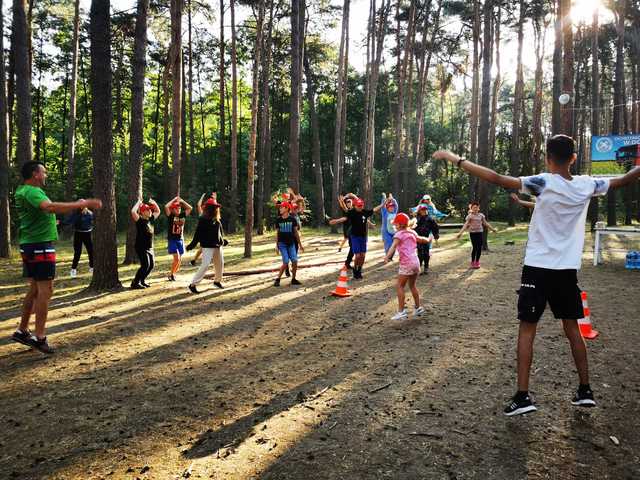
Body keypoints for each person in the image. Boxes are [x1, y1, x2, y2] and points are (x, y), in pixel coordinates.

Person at [432, 135, 640, 416]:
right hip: (567, 271)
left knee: (527, 328)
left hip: (538, 268)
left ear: (547, 157)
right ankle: (585, 390)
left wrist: (454, 157)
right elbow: (626, 178)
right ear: (574, 158)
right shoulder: (587, 184)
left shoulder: (542, 182)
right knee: (573, 329)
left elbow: (495, 177)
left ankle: (522, 396)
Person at [12, 161, 102, 354]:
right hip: (39, 246)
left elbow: (45, 211)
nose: (45, 175)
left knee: (35, 289)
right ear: (35, 174)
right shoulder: (32, 191)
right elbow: (49, 207)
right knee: (46, 290)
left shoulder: (24, 191)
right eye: (43, 172)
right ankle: (40, 336)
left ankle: (22, 330)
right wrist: (83, 203)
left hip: (30, 244)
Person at [384, 213, 431, 320]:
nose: (395, 226)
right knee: (412, 286)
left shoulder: (398, 235)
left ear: (400, 225)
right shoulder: (412, 232)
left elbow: (393, 246)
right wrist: (428, 239)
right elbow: (422, 239)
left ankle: (401, 311)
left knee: (400, 286)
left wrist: (387, 257)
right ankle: (418, 308)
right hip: (416, 262)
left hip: (406, 263)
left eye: (396, 224)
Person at [329, 197, 383, 280]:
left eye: (361, 205)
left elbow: (374, 209)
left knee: (363, 255)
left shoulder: (365, 212)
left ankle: (359, 270)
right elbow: (344, 218)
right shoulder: (352, 212)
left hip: (363, 237)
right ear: (355, 206)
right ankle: (355, 270)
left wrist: (382, 204)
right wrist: (335, 221)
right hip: (354, 236)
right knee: (357, 256)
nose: (360, 207)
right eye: (358, 206)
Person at [187, 198, 228, 293]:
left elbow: (220, 232)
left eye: (215, 208)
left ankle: (217, 281)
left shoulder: (217, 219)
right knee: (205, 265)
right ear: (208, 208)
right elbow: (197, 234)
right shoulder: (202, 220)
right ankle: (192, 285)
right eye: (213, 207)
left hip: (218, 246)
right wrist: (192, 245)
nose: (215, 209)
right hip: (207, 246)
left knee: (220, 264)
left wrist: (223, 241)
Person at [455, 201, 497, 269]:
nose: (475, 209)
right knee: (475, 247)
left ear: (478, 208)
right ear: (471, 208)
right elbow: (465, 225)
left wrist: (492, 229)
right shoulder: (470, 216)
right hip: (472, 233)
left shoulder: (481, 215)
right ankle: (472, 262)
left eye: (476, 207)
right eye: (474, 207)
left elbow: (485, 223)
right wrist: (460, 233)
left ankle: (477, 262)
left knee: (479, 247)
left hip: (480, 233)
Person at [130, 198, 161, 289]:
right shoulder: (139, 221)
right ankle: (135, 282)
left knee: (151, 265)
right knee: (145, 265)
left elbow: (158, 211)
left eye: (150, 209)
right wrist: (138, 203)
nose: (150, 211)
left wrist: (154, 203)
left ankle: (142, 281)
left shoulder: (150, 220)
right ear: (142, 212)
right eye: (147, 210)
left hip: (149, 247)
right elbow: (133, 212)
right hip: (141, 247)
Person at [274, 201, 304, 286]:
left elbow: (295, 233)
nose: (280, 209)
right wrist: (276, 246)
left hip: (291, 244)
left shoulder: (292, 219)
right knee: (286, 261)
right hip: (282, 244)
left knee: (294, 261)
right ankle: (278, 279)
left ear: (287, 208)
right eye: (280, 207)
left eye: (281, 207)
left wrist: (300, 245)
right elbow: (277, 233)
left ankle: (293, 279)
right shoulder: (278, 220)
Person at [165, 196, 193, 281]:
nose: (178, 210)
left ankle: (173, 274)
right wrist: (174, 199)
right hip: (172, 239)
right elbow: (166, 206)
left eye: (179, 208)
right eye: (176, 208)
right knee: (176, 259)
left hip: (180, 239)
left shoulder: (182, 215)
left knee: (179, 260)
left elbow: (190, 208)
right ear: (172, 209)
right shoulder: (171, 216)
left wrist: (182, 201)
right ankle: (171, 274)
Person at [66, 205, 95, 278]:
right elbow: (71, 221)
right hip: (78, 233)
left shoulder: (90, 214)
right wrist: (80, 214)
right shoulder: (76, 213)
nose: (83, 207)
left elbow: (93, 222)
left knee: (91, 251)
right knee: (78, 252)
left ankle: (92, 267)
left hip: (87, 234)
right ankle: (73, 269)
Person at [415, 204, 439, 274]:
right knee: (420, 253)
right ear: (419, 211)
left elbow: (435, 228)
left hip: (426, 238)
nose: (424, 211)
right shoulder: (417, 219)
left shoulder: (430, 219)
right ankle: (418, 267)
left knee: (426, 253)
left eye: (425, 209)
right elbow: (412, 227)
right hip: (418, 238)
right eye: (422, 210)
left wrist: (436, 236)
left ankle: (426, 267)